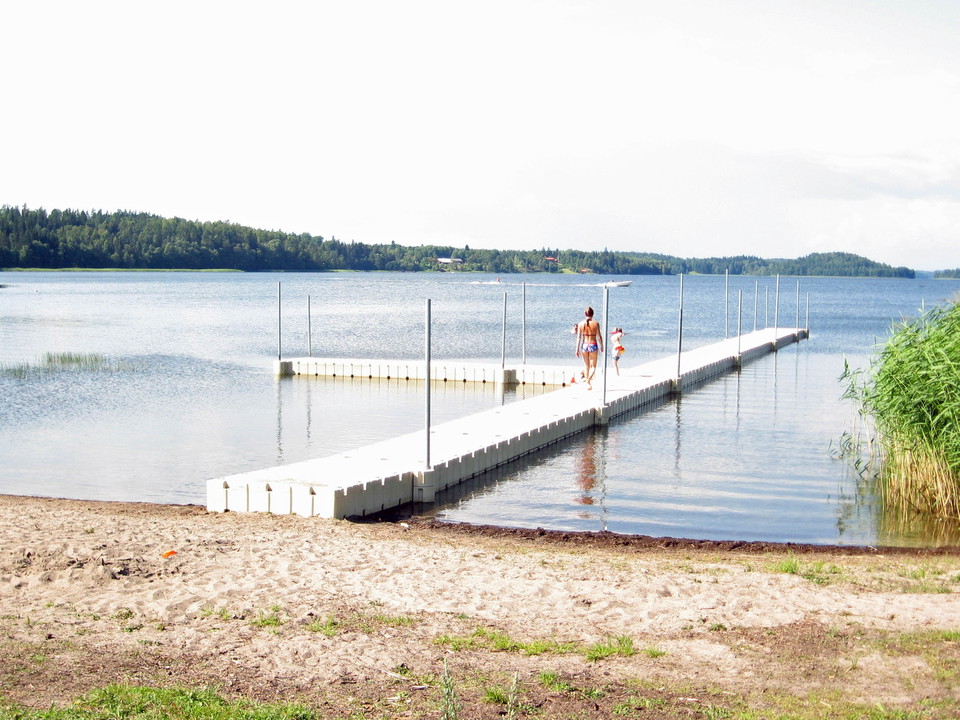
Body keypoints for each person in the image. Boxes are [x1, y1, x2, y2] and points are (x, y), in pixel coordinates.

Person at [575, 306, 603, 389]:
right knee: (593, 366)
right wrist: (602, 345)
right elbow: (599, 336)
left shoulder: (580, 324)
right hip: (593, 344)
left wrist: (577, 349)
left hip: (584, 345)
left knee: (586, 366)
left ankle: (588, 384)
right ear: (593, 314)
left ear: (585, 314)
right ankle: (588, 380)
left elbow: (579, 338)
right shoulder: (596, 323)